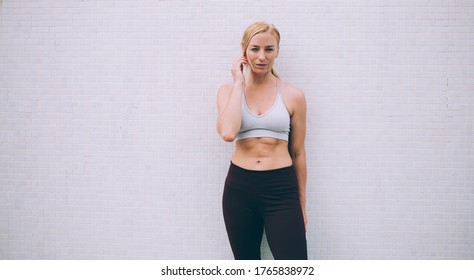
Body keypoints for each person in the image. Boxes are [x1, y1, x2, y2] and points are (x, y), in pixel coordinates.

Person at [216, 21, 308, 260]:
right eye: (255, 48)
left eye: (269, 49)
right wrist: (238, 82)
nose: (261, 56)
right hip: (240, 189)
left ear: (277, 51)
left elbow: (298, 152)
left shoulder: (293, 95)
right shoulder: (228, 91)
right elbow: (227, 133)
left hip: (281, 189)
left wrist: (301, 203)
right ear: (244, 51)